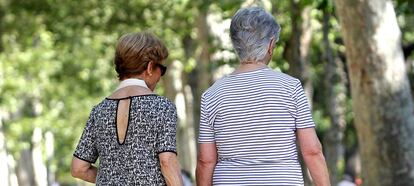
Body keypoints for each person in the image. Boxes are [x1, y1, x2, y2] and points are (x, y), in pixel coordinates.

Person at [196, 7, 330, 186]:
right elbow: (312, 151)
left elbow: (206, 161)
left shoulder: (212, 95)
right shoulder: (291, 87)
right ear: (270, 45)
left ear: (236, 45)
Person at [71, 32, 183, 185]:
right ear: (150, 67)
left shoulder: (99, 111)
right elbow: (167, 161)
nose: (160, 76)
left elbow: (78, 168)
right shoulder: (161, 107)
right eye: (161, 69)